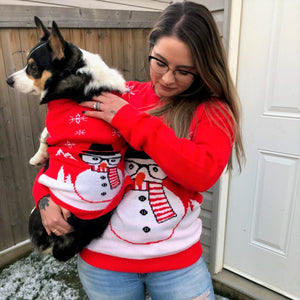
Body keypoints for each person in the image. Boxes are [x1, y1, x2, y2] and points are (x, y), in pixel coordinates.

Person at [37, 2, 244, 299]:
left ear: (204, 69)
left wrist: (130, 120)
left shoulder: (212, 111)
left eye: (184, 71)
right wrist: (43, 198)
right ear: (149, 50)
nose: (168, 78)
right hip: (104, 262)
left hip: (177, 265)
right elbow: (62, 151)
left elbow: (201, 173)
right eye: (159, 62)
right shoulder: (118, 95)